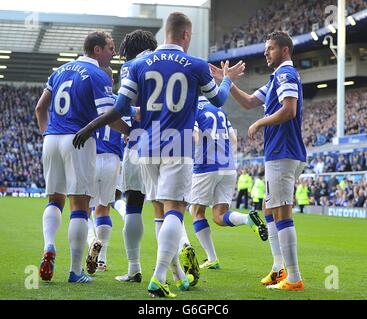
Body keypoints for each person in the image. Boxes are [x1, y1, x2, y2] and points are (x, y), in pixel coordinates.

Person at [72, 12, 245, 298]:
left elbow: (118, 108)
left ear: (166, 32)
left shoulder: (138, 65)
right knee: (175, 210)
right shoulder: (196, 65)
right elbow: (219, 100)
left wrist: (89, 127)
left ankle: (172, 272)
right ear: (186, 35)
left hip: (144, 146)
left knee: (156, 211)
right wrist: (226, 79)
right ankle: (159, 276)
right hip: (178, 144)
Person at [210, 31, 307, 291]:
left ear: (284, 50)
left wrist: (260, 122)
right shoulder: (277, 77)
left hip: (283, 151)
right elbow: (250, 101)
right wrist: (226, 83)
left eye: (271, 48)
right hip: (282, 151)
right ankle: (278, 269)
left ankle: (294, 277)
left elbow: (290, 110)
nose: (266, 52)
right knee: (269, 207)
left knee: (282, 211)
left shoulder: (286, 75)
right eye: (266, 48)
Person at [35, 31, 117, 283]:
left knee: (54, 200)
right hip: (79, 139)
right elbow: (108, 115)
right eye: (110, 48)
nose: (113, 53)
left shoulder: (59, 71)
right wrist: (133, 129)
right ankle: (75, 271)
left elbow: (40, 108)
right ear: (97, 50)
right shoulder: (97, 75)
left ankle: (49, 245)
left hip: (52, 139)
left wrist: (47, 133)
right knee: (80, 207)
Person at [190, 96, 268, 270]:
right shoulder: (219, 109)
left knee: (196, 211)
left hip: (205, 165)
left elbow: (195, 137)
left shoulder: (192, 107)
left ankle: (212, 258)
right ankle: (248, 219)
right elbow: (233, 138)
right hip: (228, 166)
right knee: (219, 216)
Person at [112, 29, 158, 283]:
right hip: (174, 142)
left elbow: (121, 105)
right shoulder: (167, 61)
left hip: (139, 140)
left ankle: (134, 268)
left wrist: (133, 115)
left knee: (133, 204)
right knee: (169, 207)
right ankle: (176, 261)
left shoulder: (131, 65)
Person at [85, 66, 130, 274]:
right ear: (112, 82)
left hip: (92, 158)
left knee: (82, 208)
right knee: (104, 208)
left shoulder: (88, 101)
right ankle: (101, 260)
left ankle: (91, 240)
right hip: (113, 159)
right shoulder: (122, 104)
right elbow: (128, 134)